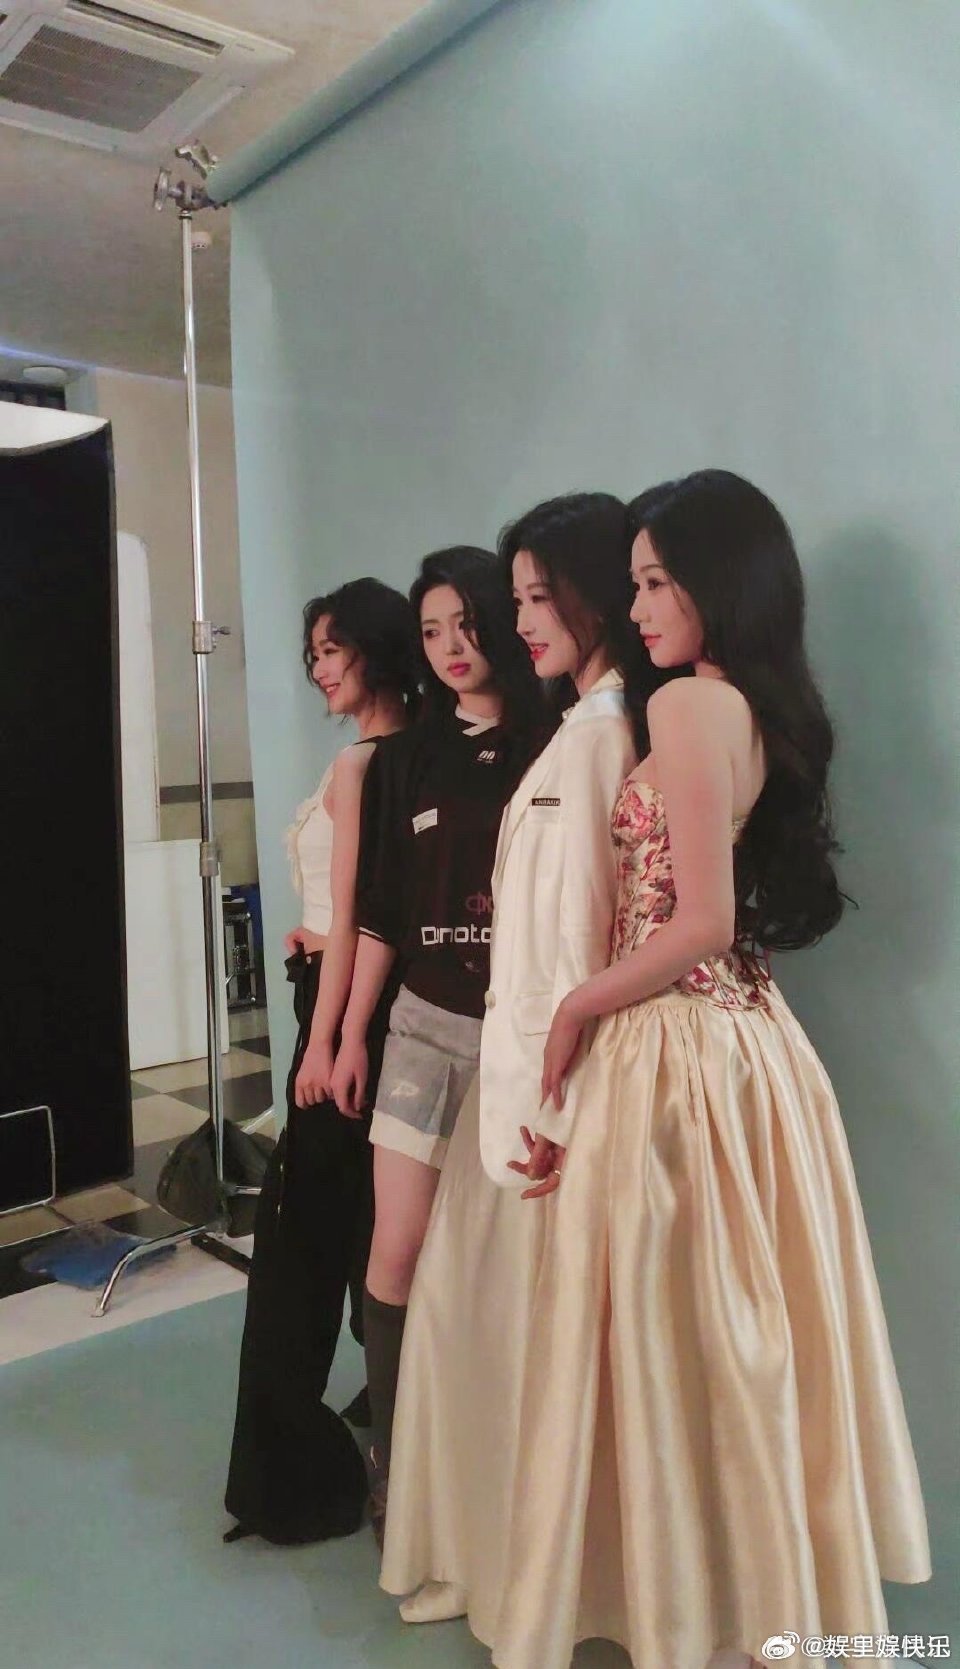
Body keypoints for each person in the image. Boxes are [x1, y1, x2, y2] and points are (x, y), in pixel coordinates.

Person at [394, 472, 932, 1668]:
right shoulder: (741, 707)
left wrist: (576, 1006)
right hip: (746, 1041)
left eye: (654, 581)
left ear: (719, 582)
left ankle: (685, 1608)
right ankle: (740, 1602)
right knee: (727, 1337)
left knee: (660, 1333)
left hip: (678, 1043)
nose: (638, 607)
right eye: (631, 583)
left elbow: (698, 920)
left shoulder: (686, 705)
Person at [379, 491, 674, 1618]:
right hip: (519, 1081)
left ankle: (530, 1574)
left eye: (540, 597)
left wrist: (553, 1103)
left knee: (511, 1339)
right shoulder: (576, 733)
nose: (522, 622)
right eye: (519, 601)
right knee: (477, 1328)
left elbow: (599, 940)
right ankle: (497, 1559)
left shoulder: (605, 740)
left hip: (552, 1093)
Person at [329, 545, 544, 1544]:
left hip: (521, 1038)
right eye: (430, 631)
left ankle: (503, 1466)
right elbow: (379, 910)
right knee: (398, 1246)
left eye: (466, 623)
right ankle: (397, 1459)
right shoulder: (407, 756)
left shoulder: (556, 739)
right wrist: (346, 1036)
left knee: (510, 1261)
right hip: (422, 1026)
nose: (452, 646)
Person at [223, 577, 420, 1546]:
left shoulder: (367, 762)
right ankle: (376, 1430)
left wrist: (327, 1037)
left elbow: (366, 915)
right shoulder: (405, 756)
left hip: (344, 1016)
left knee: (301, 1241)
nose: (318, 669)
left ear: (374, 650)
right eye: (313, 654)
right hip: (352, 1000)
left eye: (332, 649)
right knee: (362, 1232)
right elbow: (359, 911)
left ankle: (299, 1476)